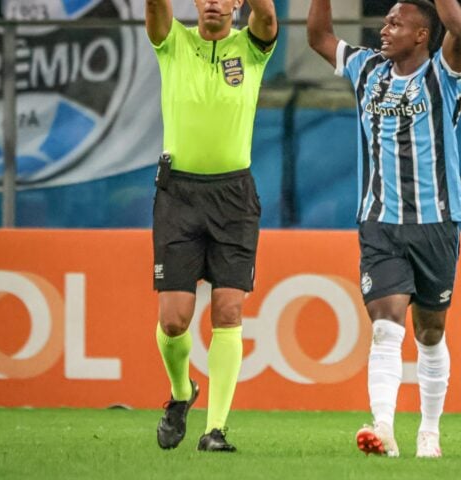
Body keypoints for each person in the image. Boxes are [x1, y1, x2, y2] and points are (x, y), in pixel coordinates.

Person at [307, 0, 461, 459]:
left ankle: (429, 433)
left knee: (431, 333)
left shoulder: (443, 75)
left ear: (421, 36)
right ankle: (383, 427)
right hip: (379, 223)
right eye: (386, 20)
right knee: (386, 325)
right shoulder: (367, 69)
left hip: (435, 222)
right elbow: (318, 36)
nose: (385, 28)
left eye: (396, 23)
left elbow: (459, 27)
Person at [146, 0, 277, 453]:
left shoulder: (253, 49)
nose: (215, 2)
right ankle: (182, 391)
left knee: (228, 310)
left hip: (234, 197)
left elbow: (268, 18)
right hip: (178, 195)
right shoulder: (173, 42)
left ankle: (214, 429)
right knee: (175, 319)